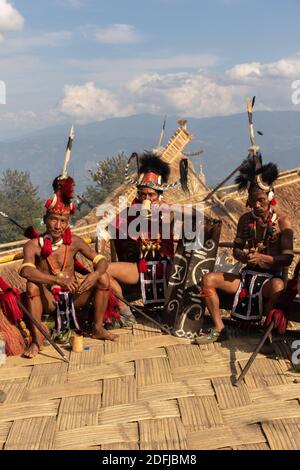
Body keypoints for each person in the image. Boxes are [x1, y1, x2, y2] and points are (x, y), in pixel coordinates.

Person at [194, 153, 294, 344]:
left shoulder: (283, 222)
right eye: (252, 201)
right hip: (246, 277)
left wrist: (263, 259)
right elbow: (236, 250)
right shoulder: (245, 220)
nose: (256, 205)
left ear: (270, 197)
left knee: (278, 286)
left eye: (261, 201)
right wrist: (245, 257)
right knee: (208, 280)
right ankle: (219, 328)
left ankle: (268, 336)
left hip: (269, 280)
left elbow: (288, 259)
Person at [20, 175, 118, 358]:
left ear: (68, 223)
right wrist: (57, 280)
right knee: (32, 285)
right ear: (45, 219)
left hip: (74, 297)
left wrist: (94, 276)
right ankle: (37, 340)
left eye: (63, 221)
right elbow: (26, 271)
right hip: (48, 299)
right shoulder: (34, 244)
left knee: (104, 277)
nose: (57, 226)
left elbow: (102, 261)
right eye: (53, 219)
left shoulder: (74, 242)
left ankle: (97, 328)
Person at [97, 152, 182, 318]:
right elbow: (105, 232)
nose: (146, 198)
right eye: (143, 194)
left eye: (151, 195)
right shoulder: (130, 212)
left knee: (183, 274)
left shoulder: (168, 210)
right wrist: (99, 255)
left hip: (166, 267)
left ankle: (176, 313)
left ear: (159, 195)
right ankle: (125, 310)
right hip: (140, 268)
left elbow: (187, 218)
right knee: (103, 272)